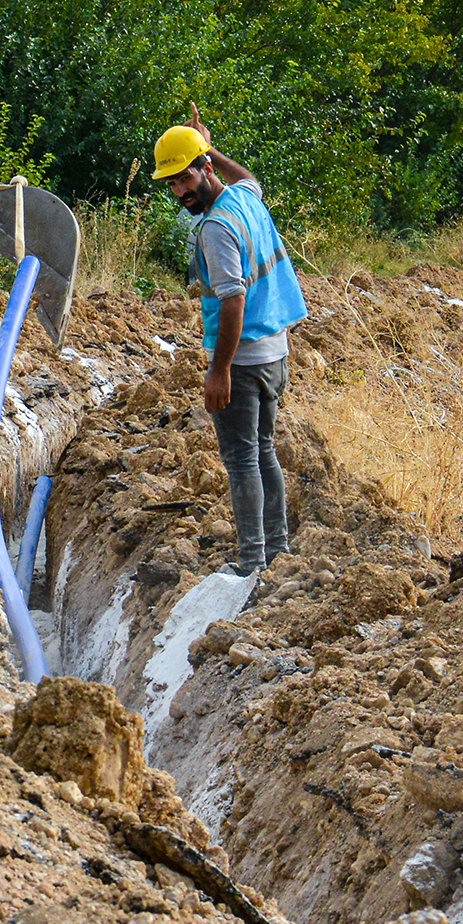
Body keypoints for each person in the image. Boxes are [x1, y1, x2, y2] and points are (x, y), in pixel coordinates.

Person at [152, 108, 308, 574]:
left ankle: (252, 560)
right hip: (275, 350)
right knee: (262, 449)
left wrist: (218, 370)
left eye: (185, 179)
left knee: (242, 459)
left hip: (242, 361)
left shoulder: (217, 228)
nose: (180, 191)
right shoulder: (245, 198)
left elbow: (233, 300)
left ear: (205, 170)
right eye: (172, 184)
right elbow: (250, 178)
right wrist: (209, 145)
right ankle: (276, 551)